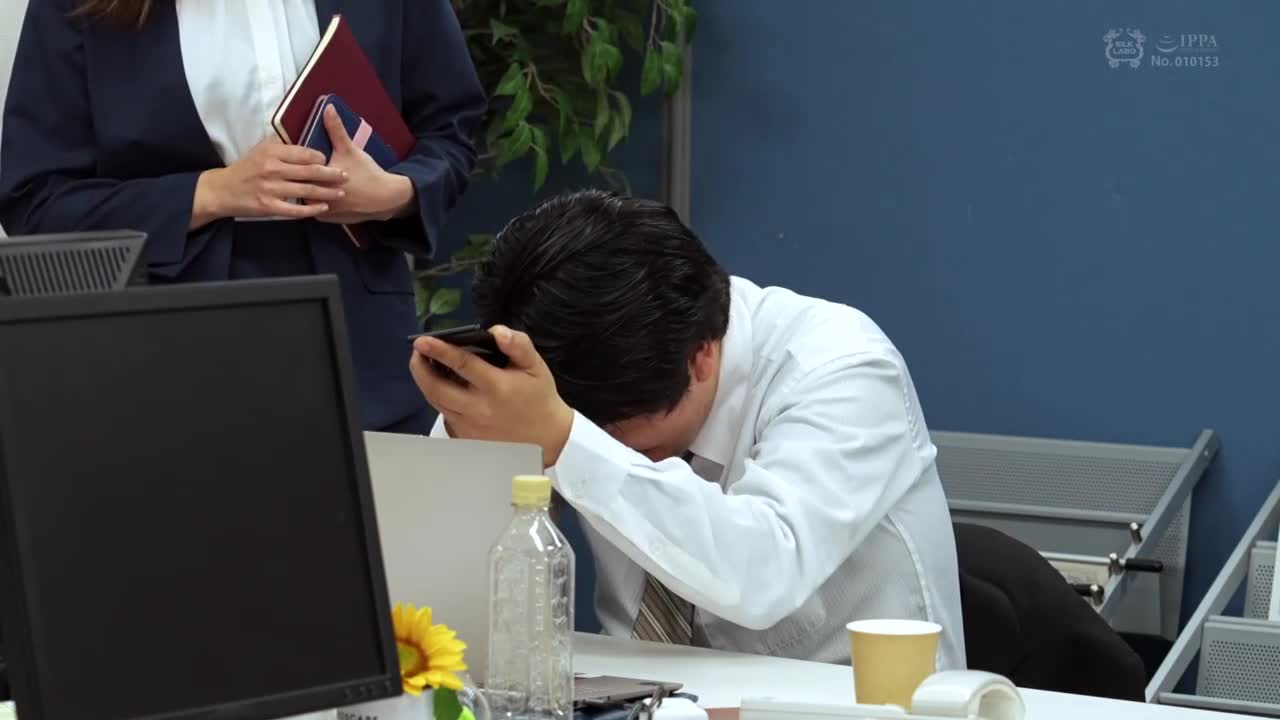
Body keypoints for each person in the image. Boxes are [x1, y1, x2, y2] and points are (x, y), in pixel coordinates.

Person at [410, 189, 967, 669]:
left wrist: (569, 442)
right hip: (632, 693)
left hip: (842, 700)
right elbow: (449, 589)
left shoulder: (842, 367)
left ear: (702, 356)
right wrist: (472, 438)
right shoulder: (553, 378)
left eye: (628, 442)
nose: (615, 449)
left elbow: (764, 573)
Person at [0, 0, 486, 433]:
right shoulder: (77, 8)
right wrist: (211, 192)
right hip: (163, 356)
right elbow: (35, 200)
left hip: (365, 353)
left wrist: (396, 192)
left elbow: (450, 130)